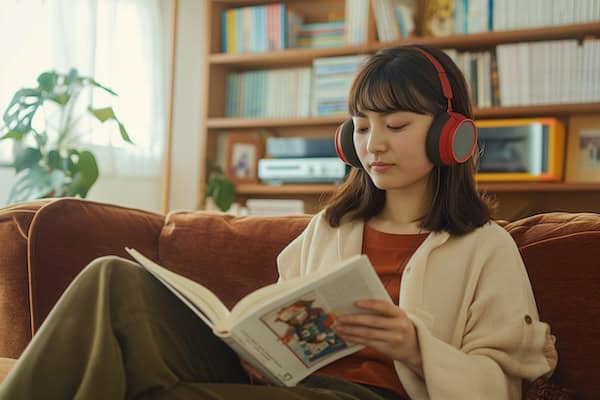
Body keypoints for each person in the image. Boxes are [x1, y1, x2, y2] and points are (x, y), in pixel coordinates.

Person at [0, 45, 557, 400]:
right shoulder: (331, 230)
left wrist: (414, 347)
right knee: (110, 277)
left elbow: (502, 387)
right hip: (291, 384)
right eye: (361, 127)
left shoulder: (485, 247)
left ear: (450, 136)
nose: (374, 143)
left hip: (368, 396)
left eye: (397, 124)